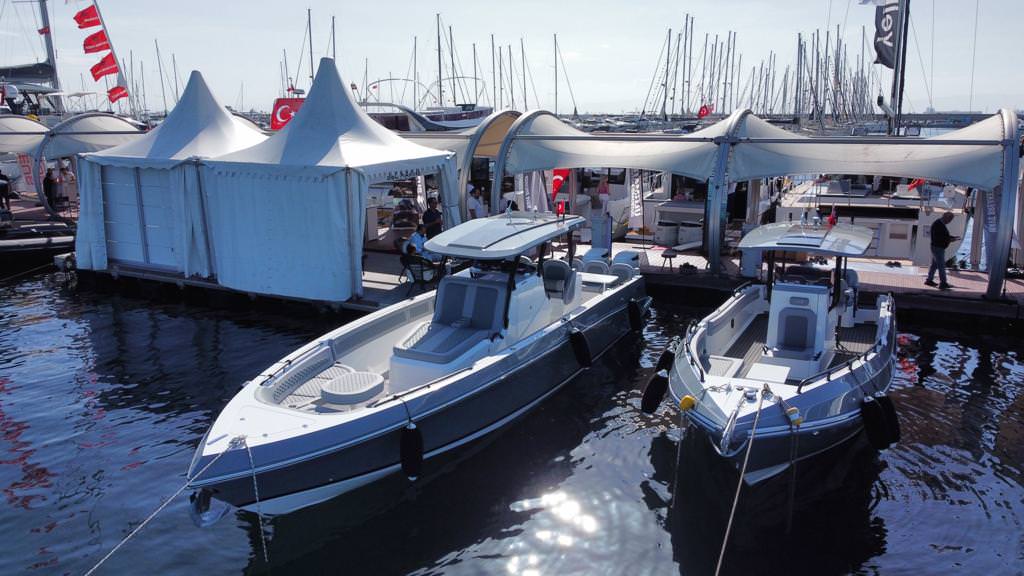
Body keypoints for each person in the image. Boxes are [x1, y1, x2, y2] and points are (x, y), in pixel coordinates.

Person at [925, 212, 957, 290]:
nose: (949, 222)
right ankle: (943, 283)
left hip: (936, 247)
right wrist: (950, 240)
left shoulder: (939, 223)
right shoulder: (938, 225)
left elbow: (942, 236)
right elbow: (940, 238)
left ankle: (929, 280)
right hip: (938, 248)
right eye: (950, 219)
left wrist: (951, 237)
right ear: (946, 217)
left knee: (934, 265)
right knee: (941, 266)